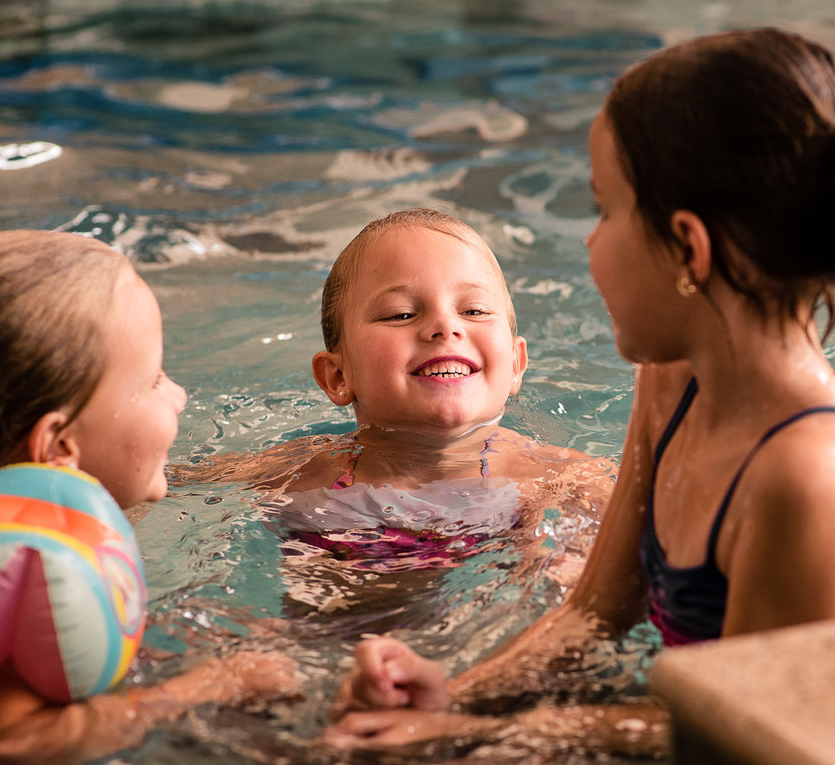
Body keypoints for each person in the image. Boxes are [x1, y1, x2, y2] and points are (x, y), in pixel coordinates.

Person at [322, 27, 835, 756]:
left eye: (604, 210)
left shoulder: (807, 474)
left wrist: (479, 731)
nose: (588, 243)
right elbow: (595, 614)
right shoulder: (672, 380)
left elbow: (752, 737)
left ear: (689, 249)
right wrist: (454, 692)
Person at [174, 209, 611, 615]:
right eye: (400, 314)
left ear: (516, 364)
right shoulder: (300, 473)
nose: (445, 326)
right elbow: (159, 486)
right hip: (320, 642)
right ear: (337, 377)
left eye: (474, 310)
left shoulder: (561, 481)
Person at [0, 230, 302, 765]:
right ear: (59, 448)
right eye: (155, 378)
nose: (179, 394)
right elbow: (12, 738)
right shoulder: (23, 563)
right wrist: (205, 686)